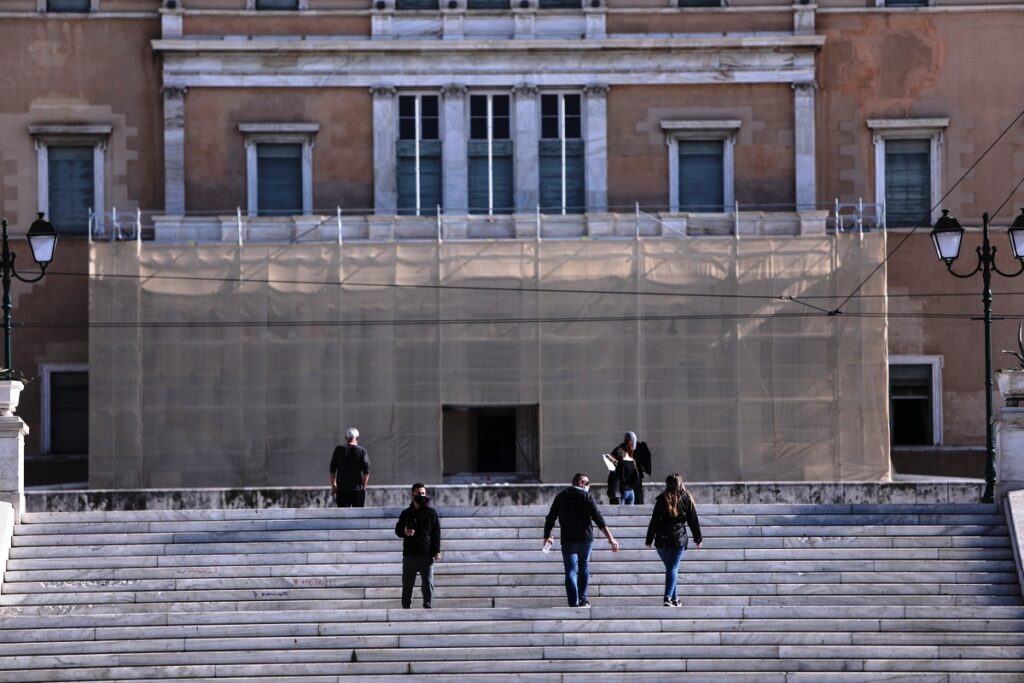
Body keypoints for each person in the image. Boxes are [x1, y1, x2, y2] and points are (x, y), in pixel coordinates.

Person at [544, 473, 620, 607]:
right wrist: (611, 538)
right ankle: (583, 600)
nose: (588, 486)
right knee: (584, 567)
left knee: (570, 571)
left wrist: (546, 536)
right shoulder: (586, 496)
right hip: (586, 539)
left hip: (568, 540)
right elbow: (598, 519)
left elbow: (550, 518)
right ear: (580, 482)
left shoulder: (561, 496)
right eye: (587, 483)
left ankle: (573, 602)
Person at [645, 473, 702, 607]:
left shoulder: (661, 499)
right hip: (677, 538)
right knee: (673, 568)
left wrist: (649, 539)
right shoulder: (686, 498)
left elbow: (654, 521)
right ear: (681, 483)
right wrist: (697, 538)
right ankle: (668, 598)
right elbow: (693, 520)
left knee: (671, 568)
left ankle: (675, 599)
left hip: (661, 539)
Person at [395, 482, 442, 609]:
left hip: (426, 555)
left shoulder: (431, 513)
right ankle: (406, 609)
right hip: (409, 555)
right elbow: (397, 530)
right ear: (412, 494)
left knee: (427, 584)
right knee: (407, 586)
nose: (421, 495)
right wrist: (405, 532)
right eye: (418, 493)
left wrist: (437, 550)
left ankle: (427, 606)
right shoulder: (405, 513)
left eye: (423, 493)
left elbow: (436, 533)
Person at [329, 427, 369, 507]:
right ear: (357, 438)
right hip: (357, 490)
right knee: (358, 516)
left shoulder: (338, 450)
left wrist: (333, 484)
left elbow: (332, 469)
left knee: (343, 516)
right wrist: (364, 486)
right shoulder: (362, 451)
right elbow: (366, 470)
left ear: (346, 438)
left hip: (342, 490)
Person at [606, 431, 638, 505]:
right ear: (631, 441)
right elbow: (612, 464)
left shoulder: (628, 452)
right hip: (620, 489)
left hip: (627, 488)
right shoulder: (620, 451)